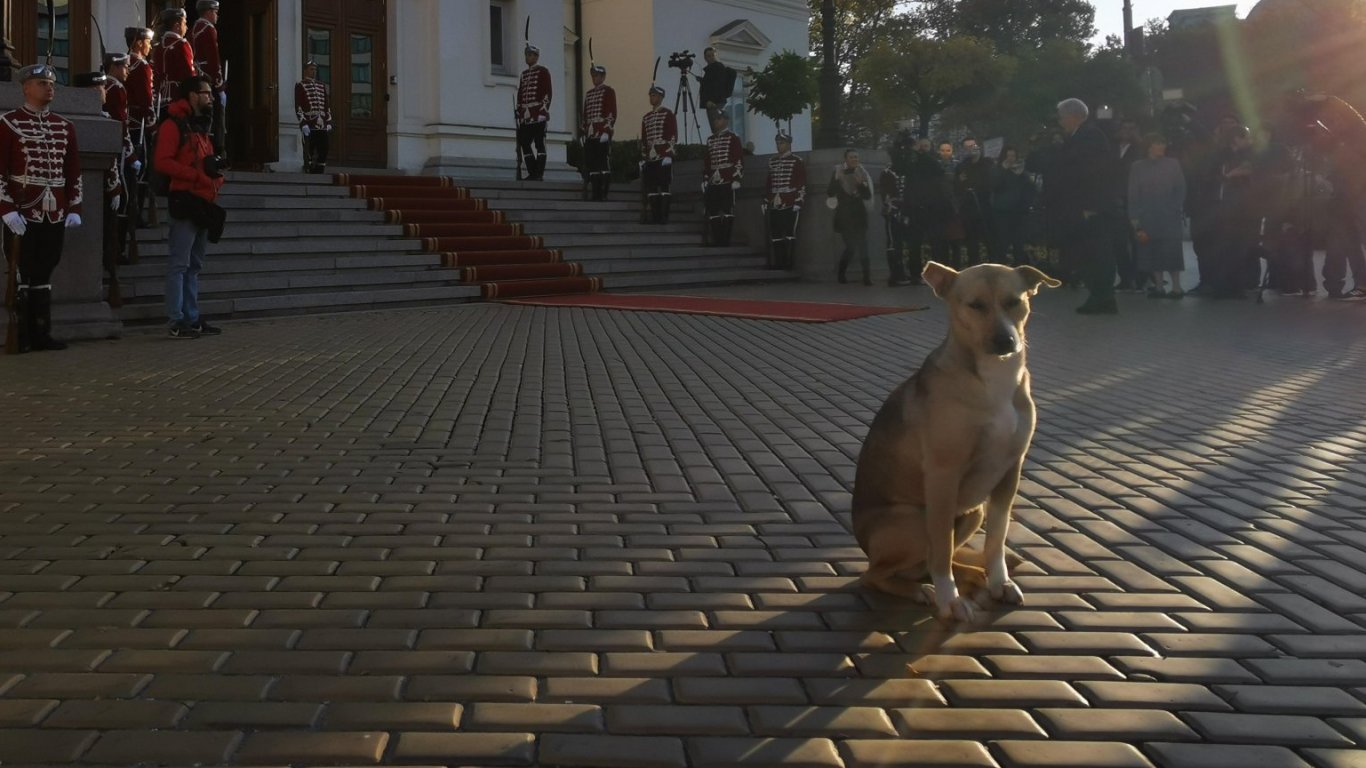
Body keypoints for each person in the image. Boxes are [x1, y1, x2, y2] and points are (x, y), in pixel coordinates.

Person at [0, 64, 83, 352]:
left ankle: (41, 332)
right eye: (41, 83)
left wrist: (74, 207)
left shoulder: (64, 126)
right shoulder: (9, 123)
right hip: (23, 211)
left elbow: (73, 171)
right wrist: (6, 209)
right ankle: (21, 334)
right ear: (25, 88)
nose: (49, 88)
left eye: (51, 83)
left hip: (55, 211)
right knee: (22, 272)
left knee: (45, 270)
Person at [155, 75, 224, 339]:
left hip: (204, 201)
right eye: (206, 93)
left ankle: (192, 317)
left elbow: (206, 161)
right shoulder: (174, 125)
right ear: (193, 95)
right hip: (185, 199)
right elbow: (162, 162)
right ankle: (177, 320)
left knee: (194, 265)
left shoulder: (201, 126)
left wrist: (217, 177)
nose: (211, 98)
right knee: (179, 264)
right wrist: (195, 176)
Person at [1052, 98, 1118, 314]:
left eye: (1062, 116)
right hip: (1084, 204)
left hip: (1091, 206)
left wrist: (1091, 205)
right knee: (1090, 252)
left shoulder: (1090, 136)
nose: (1060, 121)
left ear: (1073, 116)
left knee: (1096, 252)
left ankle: (1102, 295)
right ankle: (1100, 295)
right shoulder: (1081, 136)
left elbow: (1093, 173)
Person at [1128, 134, 1188, 298]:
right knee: (1152, 250)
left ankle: (1176, 287)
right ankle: (1159, 286)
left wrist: (1175, 207)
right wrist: (1135, 218)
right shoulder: (1137, 166)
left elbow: (1180, 188)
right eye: (1158, 143)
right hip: (1147, 215)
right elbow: (1133, 194)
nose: (1162, 146)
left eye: (1163, 143)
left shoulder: (1173, 164)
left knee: (1172, 251)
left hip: (1169, 214)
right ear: (1149, 146)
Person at [826, 149, 874, 285]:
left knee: (863, 246)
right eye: (852, 157)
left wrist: (860, 184)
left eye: (856, 157)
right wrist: (837, 180)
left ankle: (867, 277)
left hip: (859, 214)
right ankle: (841, 274)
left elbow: (867, 195)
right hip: (844, 215)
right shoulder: (838, 171)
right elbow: (830, 192)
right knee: (851, 246)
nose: (855, 159)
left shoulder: (862, 172)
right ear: (845, 159)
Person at [903, 137, 946, 282]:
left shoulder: (932, 162)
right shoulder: (912, 163)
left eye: (926, 146)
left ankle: (939, 274)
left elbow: (938, 170)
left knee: (936, 243)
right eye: (921, 146)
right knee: (915, 243)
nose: (923, 149)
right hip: (916, 208)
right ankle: (916, 274)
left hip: (932, 208)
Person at [124, 27, 155, 228]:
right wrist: (153, 125)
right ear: (138, 43)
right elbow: (146, 100)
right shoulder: (142, 66)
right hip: (139, 125)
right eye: (147, 42)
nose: (150, 46)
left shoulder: (123, 63)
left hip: (127, 123)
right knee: (140, 171)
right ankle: (135, 213)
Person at [763, 129, 805, 270]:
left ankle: (789, 262)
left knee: (789, 233)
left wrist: (798, 201)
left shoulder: (796, 161)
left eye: (782, 143)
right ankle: (779, 262)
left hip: (790, 200)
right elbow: (769, 183)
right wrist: (766, 200)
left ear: (788, 144)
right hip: (775, 201)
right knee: (775, 234)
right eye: (777, 143)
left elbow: (801, 182)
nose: (779, 145)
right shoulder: (773, 161)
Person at [190, 0, 226, 156]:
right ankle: (215, 152)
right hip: (208, 80)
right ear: (208, 12)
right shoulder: (209, 28)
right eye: (215, 12)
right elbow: (213, 59)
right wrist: (220, 86)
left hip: (196, 79)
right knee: (213, 116)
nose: (216, 15)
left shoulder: (193, 29)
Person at [953, 136, 996, 266]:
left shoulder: (988, 163)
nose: (972, 149)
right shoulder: (962, 166)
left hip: (986, 206)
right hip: (969, 209)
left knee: (990, 239)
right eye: (968, 147)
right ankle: (974, 267)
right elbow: (957, 189)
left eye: (973, 146)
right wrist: (959, 182)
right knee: (972, 241)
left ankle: (994, 266)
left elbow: (991, 183)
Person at [702, 112, 743, 246]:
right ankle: (717, 239)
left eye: (719, 119)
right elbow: (708, 162)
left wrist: (736, 177)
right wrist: (706, 178)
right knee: (713, 210)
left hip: (727, 178)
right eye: (715, 119)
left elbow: (738, 158)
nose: (716, 122)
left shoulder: (733, 138)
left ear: (726, 121)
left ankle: (725, 240)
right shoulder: (710, 139)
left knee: (727, 209)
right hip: (714, 179)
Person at [639, 84, 677, 225]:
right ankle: (655, 217)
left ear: (661, 97)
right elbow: (644, 139)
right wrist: (644, 156)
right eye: (651, 95)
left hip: (663, 155)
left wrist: (668, 154)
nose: (652, 98)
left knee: (664, 186)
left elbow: (672, 135)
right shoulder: (646, 117)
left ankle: (664, 217)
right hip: (651, 157)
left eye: (654, 95)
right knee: (652, 188)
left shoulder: (667, 114)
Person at [992, 146, 1035, 266]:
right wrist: (1002, 170)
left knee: (1019, 244)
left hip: (1019, 213)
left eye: (1013, 156)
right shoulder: (998, 171)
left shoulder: (1022, 173)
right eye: (1008, 156)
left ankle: (1018, 269)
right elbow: (994, 186)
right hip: (1003, 213)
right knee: (1002, 243)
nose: (1011, 159)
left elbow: (1030, 190)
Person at [1112, 118, 1143, 290]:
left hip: (1134, 197)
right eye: (1124, 127)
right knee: (1119, 241)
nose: (1127, 131)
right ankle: (1125, 277)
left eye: (1131, 128)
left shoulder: (1139, 149)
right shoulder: (1112, 148)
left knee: (1137, 239)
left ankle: (1139, 277)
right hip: (1116, 198)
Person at [515, 41, 552, 181]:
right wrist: (519, 111)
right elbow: (521, 94)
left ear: (536, 57)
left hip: (538, 114)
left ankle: (539, 173)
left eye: (530, 55)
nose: (528, 58)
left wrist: (543, 110)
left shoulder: (543, 71)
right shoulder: (524, 74)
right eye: (527, 55)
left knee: (539, 143)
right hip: (526, 115)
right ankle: (532, 171)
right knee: (524, 142)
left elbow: (547, 92)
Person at [580, 61, 616, 201]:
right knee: (592, 165)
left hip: (601, 132)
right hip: (591, 133)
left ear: (603, 77)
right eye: (593, 76)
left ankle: (603, 192)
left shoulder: (608, 91)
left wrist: (606, 131)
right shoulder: (589, 94)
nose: (595, 78)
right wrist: (584, 131)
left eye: (597, 76)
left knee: (602, 164)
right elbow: (586, 114)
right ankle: (595, 192)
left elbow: (611, 112)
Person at [295, 60, 332, 174]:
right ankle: (309, 167)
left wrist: (329, 122)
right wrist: (303, 123)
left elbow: (326, 106)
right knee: (309, 147)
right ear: (305, 70)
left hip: (321, 122)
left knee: (324, 146)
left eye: (315, 69)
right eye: (311, 69)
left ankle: (320, 168)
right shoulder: (300, 85)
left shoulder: (321, 86)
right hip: (309, 121)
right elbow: (299, 106)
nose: (314, 72)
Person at [877, 161, 911, 286]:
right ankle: (895, 274)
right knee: (893, 243)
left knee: (901, 243)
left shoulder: (906, 171)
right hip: (892, 213)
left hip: (904, 212)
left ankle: (902, 271)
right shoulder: (887, 173)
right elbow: (886, 196)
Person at [152, 8, 194, 104]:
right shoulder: (181, 44)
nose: (186, 27)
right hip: (178, 97)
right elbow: (189, 75)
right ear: (177, 26)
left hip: (161, 98)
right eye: (185, 23)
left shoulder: (159, 47)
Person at [697, 48, 736, 128]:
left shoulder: (717, 68)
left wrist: (709, 101)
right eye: (709, 56)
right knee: (715, 126)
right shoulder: (713, 69)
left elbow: (716, 85)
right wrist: (703, 81)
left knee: (716, 127)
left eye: (712, 55)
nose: (711, 58)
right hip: (715, 102)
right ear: (705, 58)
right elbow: (711, 84)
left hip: (714, 103)